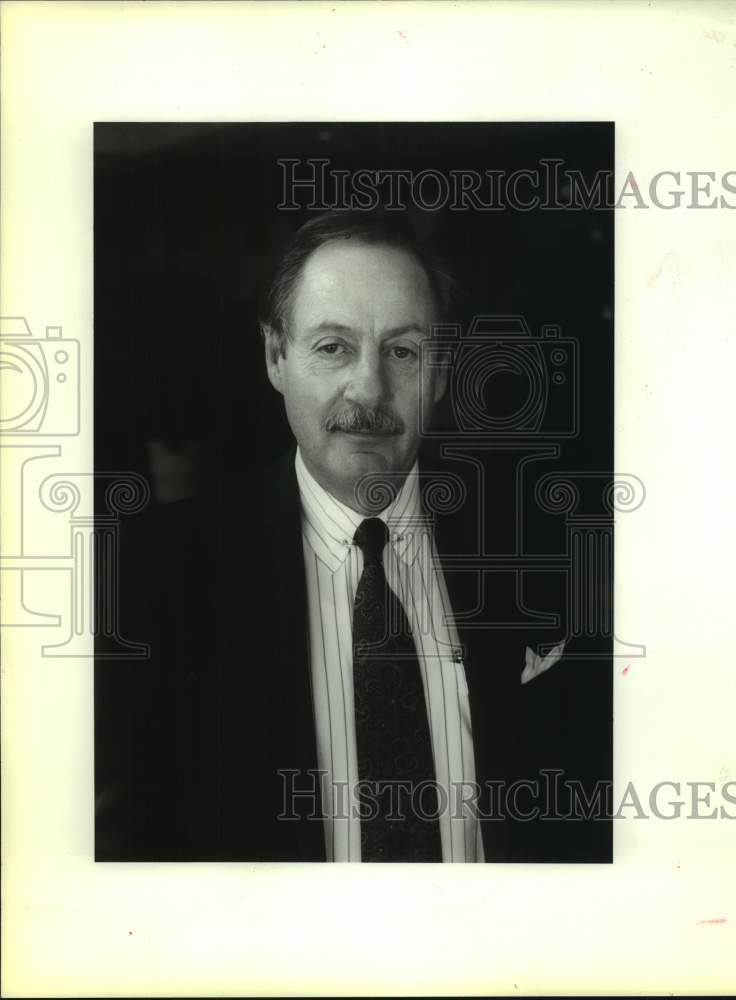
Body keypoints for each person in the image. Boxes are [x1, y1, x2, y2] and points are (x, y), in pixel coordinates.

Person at [95, 211, 607, 864]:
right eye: (333, 346)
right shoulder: (154, 576)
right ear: (276, 355)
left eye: (402, 350)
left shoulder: (545, 550)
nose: (370, 388)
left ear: (443, 371)